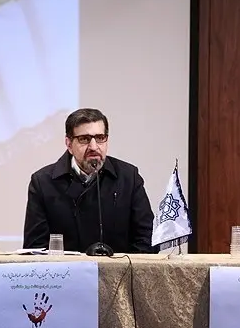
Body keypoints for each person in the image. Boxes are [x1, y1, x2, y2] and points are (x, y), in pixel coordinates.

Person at [22, 108, 159, 254]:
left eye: (100, 138)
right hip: (67, 269)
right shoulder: (43, 182)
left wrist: (124, 266)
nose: (94, 147)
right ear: (69, 144)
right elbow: (35, 248)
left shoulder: (129, 177)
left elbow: (147, 239)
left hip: (120, 268)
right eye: (84, 139)